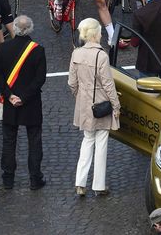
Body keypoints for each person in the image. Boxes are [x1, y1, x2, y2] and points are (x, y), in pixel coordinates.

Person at [0, 15, 46, 190]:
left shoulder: (3, 48)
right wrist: (24, 97)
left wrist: (10, 96)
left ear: (14, 28)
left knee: (8, 141)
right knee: (34, 141)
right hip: (31, 103)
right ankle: (35, 179)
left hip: (10, 102)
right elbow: (40, 79)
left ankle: (8, 179)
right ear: (31, 29)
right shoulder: (38, 50)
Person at [68, 17, 120, 197]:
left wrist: (81, 98)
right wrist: (116, 105)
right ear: (96, 34)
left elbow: (72, 83)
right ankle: (98, 185)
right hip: (101, 105)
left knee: (87, 141)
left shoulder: (76, 54)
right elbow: (108, 85)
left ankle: (80, 183)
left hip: (84, 105)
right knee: (101, 143)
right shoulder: (101, 55)